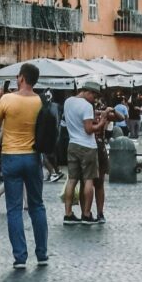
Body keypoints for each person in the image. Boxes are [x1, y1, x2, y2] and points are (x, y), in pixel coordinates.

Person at [0, 61, 50, 271]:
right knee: (37, 205)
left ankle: (20, 256)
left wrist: (0, 98)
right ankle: (42, 253)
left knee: (14, 208)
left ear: (21, 78)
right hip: (34, 156)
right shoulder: (40, 101)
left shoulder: (7, 99)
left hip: (11, 156)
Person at [60, 86, 100, 224]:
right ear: (88, 92)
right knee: (89, 180)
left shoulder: (68, 101)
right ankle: (87, 214)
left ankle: (68, 214)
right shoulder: (86, 106)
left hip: (72, 144)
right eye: (94, 97)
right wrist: (101, 123)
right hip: (87, 146)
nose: (94, 100)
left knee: (72, 180)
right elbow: (89, 129)